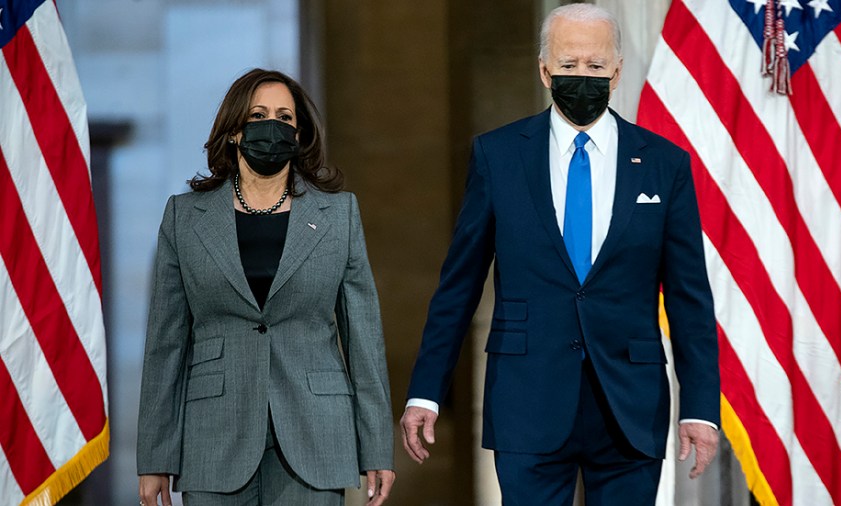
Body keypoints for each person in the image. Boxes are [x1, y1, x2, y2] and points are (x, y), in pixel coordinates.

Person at [400, 4, 720, 504]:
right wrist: (426, 391)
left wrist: (700, 408)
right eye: (569, 65)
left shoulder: (664, 165)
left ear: (617, 73)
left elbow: (689, 298)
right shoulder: (498, 155)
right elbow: (458, 286)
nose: (582, 77)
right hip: (527, 398)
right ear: (545, 70)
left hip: (629, 407)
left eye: (595, 66)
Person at [137, 68, 394, 506]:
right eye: (258, 114)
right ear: (235, 131)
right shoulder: (184, 217)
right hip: (214, 439)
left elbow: (364, 339)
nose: (271, 126)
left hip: (315, 436)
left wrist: (376, 448)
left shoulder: (339, 214)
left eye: (284, 117)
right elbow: (166, 343)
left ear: (299, 133)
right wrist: (154, 457)